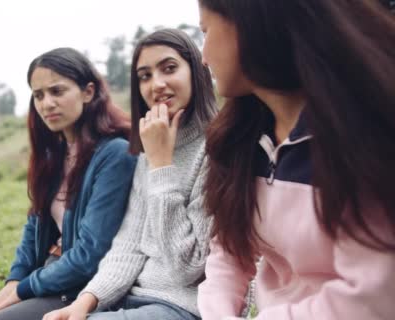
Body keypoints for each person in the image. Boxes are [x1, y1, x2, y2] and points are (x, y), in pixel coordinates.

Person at [197, 1, 395, 319]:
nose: (204, 56)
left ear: (249, 23)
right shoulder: (240, 140)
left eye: (205, 31)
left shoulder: (359, 139)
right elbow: (228, 252)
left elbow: (372, 296)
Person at [44, 28, 217, 320]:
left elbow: (187, 266)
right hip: (131, 298)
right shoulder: (149, 151)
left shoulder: (218, 151)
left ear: (196, 72)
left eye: (169, 68)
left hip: (184, 307)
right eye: (145, 75)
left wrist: (162, 165)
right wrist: (84, 303)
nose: (156, 84)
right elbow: (129, 244)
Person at [0, 47, 137, 320]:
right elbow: (34, 224)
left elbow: (90, 253)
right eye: (38, 95)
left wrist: (25, 288)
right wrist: (14, 281)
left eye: (57, 91)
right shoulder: (53, 155)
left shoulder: (114, 154)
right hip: (49, 272)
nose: (46, 104)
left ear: (88, 92)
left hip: (83, 285)